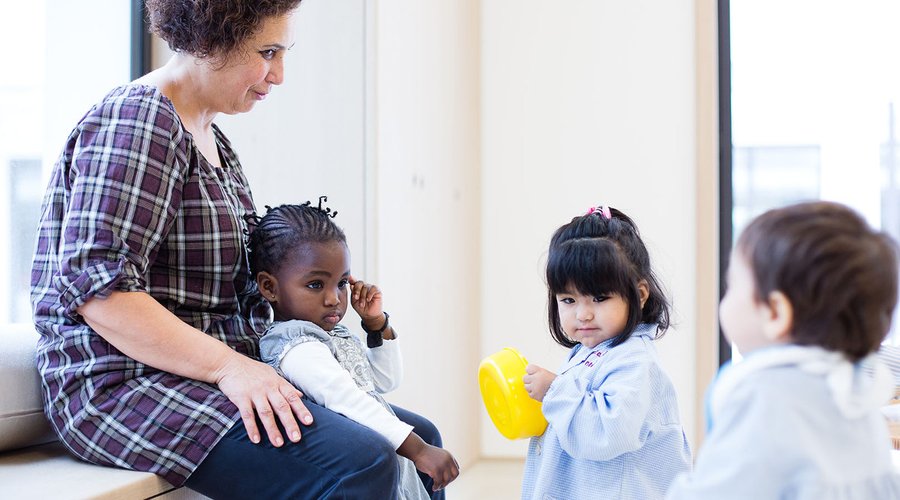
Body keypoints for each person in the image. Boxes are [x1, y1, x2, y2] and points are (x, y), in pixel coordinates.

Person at [29, 1, 420, 498]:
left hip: (199, 375)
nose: (278, 74)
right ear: (211, 38)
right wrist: (233, 368)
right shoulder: (140, 121)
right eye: (268, 52)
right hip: (122, 387)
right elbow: (100, 292)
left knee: (419, 438)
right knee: (361, 461)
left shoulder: (214, 140)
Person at [666, 201, 900, 499]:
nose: (726, 298)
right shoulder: (856, 396)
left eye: (732, 285)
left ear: (775, 312)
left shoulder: (764, 395)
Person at [247, 200, 460, 497]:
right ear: (269, 287)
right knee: (416, 442)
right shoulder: (295, 346)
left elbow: (384, 381)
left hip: (370, 438)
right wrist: (419, 449)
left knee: (424, 431)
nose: (334, 298)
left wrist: (375, 323)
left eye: (342, 283)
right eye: (315, 285)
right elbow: (345, 399)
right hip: (346, 455)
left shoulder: (331, 334)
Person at [520, 205, 692, 500]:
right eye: (569, 299)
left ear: (638, 295)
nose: (583, 314)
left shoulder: (635, 361)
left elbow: (606, 432)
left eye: (599, 298)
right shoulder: (590, 350)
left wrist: (554, 390)